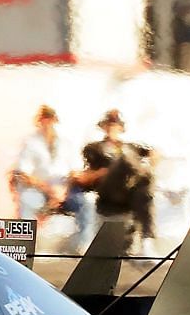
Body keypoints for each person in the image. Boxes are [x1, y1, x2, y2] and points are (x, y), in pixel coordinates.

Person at [74, 108, 156, 252]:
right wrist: (103, 172)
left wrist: (150, 166)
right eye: (109, 124)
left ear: (121, 127)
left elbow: (154, 152)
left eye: (116, 124)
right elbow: (83, 176)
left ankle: (147, 241)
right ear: (104, 127)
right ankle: (140, 173)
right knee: (125, 159)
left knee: (144, 189)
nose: (112, 127)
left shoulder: (131, 146)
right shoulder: (94, 148)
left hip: (128, 191)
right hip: (107, 190)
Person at [10, 105, 91, 248]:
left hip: (63, 187)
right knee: (27, 201)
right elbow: (24, 173)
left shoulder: (66, 143)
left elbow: (75, 172)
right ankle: (26, 245)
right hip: (39, 187)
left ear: (55, 121)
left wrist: (63, 191)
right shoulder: (31, 143)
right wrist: (48, 189)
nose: (47, 123)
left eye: (50, 120)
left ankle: (82, 245)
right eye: (44, 120)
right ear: (39, 122)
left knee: (86, 204)